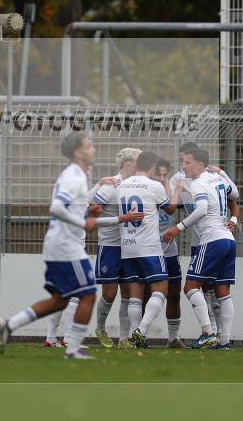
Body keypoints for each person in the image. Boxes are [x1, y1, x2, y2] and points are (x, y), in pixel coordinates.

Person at [0, 131, 134, 360]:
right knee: (87, 293)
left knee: (60, 299)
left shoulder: (77, 175)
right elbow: (57, 208)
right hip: (66, 245)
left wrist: (88, 212)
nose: (94, 150)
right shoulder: (73, 176)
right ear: (79, 152)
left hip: (60, 243)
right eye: (90, 146)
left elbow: (72, 208)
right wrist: (83, 221)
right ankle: (72, 349)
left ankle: (9, 324)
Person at [163, 148, 240, 349]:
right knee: (223, 292)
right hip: (228, 240)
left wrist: (178, 228)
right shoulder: (218, 179)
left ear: (199, 164)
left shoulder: (198, 183)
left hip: (212, 239)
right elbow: (236, 193)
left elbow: (202, 210)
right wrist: (222, 173)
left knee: (190, 287)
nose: (183, 166)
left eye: (187, 162)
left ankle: (207, 333)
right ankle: (225, 342)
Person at [118, 151, 179, 348]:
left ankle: (137, 341)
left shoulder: (122, 185)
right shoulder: (154, 186)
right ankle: (140, 330)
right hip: (149, 247)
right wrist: (176, 190)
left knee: (135, 294)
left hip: (127, 246)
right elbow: (170, 209)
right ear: (152, 167)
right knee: (161, 289)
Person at [90, 147, 143, 347]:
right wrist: (122, 218)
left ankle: (124, 338)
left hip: (130, 246)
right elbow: (91, 219)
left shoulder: (137, 185)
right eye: (139, 160)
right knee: (110, 293)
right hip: (110, 246)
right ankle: (100, 328)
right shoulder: (111, 186)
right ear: (128, 163)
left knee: (128, 293)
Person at [153, 158, 185, 348]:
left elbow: (175, 209)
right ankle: (136, 335)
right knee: (146, 294)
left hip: (170, 251)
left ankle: (173, 338)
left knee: (174, 294)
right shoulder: (146, 191)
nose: (162, 178)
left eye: (166, 175)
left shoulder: (170, 192)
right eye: (159, 174)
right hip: (149, 251)